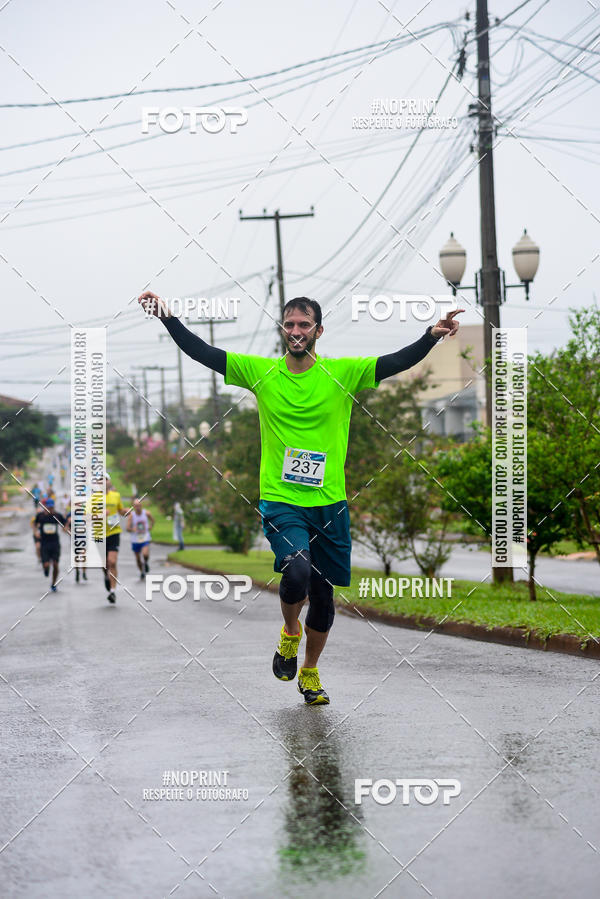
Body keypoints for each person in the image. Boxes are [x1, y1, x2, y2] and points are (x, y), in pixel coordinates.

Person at [139, 290, 462, 705]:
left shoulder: (341, 374)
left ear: (318, 331)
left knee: (324, 597)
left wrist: (430, 336)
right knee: (296, 572)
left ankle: (309, 672)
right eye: (289, 324)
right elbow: (202, 351)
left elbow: (393, 362)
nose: (295, 331)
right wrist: (167, 316)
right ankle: (290, 632)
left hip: (330, 504)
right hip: (281, 499)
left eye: (303, 325)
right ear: (282, 330)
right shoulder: (261, 372)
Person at [100, 474, 126, 604]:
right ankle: (106, 576)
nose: (103, 482)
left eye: (105, 479)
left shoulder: (116, 496)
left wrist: (126, 511)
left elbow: (120, 510)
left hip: (114, 532)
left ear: (109, 481)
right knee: (104, 564)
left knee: (112, 561)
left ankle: (112, 592)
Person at [34, 497, 69, 592]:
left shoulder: (57, 515)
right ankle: (46, 568)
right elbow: (35, 524)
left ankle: (53, 583)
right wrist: (36, 532)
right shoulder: (40, 516)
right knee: (46, 564)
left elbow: (65, 523)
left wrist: (65, 528)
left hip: (55, 543)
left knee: (56, 564)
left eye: (52, 507)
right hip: (44, 543)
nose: (50, 509)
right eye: (48, 507)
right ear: (45, 507)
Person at [127, 497, 155, 579]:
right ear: (133, 507)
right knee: (138, 558)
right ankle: (142, 571)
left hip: (145, 537)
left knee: (145, 554)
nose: (138, 508)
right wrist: (132, 529)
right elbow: (127, 528)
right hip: (135, 539)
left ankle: (145, 562)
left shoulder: (146, 513)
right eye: (136, 506)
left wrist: (150, 526)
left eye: (139, 506)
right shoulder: (132, 515)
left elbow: (153, 520)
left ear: (141, 506)